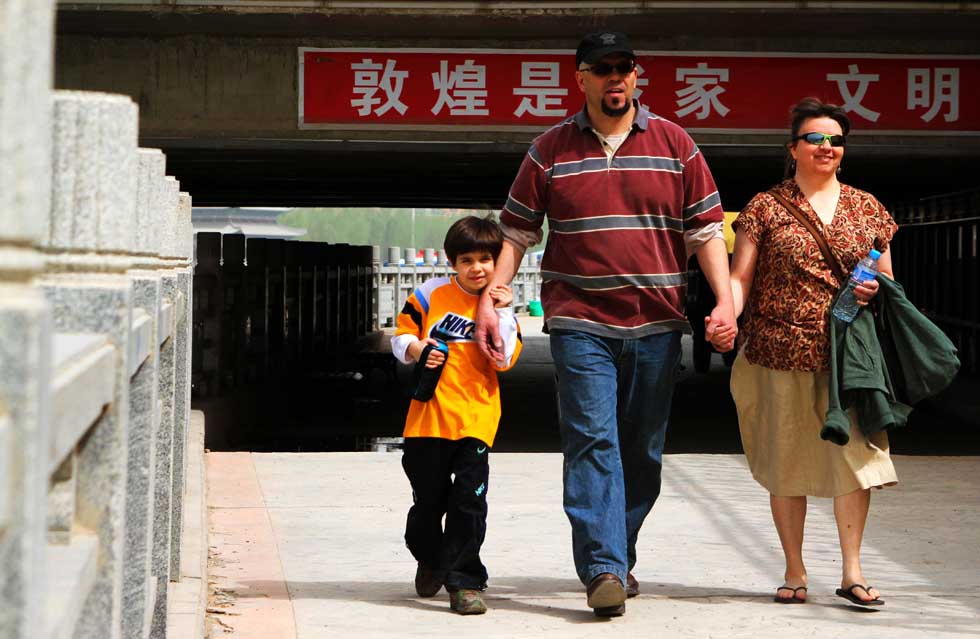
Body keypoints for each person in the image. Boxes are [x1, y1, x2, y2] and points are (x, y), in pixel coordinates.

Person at [474, 31, 736, 617]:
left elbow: (706, 231)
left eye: (625, 68)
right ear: (581, 79)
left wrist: (724, 301)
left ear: (637, 76)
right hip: (579, 320)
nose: (615, 78)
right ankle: (603, 567)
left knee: (641, 448)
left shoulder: (676, 145)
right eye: (603, 69)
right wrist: (495, 297)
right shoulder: (549, 149)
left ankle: (621, 550)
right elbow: (517, 233)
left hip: (658, 323)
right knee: (593, 441)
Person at [723, 97, 898, 606]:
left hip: (850, 357)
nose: (827, 147)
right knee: (787, 458)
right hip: (778, 350)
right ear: (792, 148)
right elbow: (740, 278)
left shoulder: (868, 208)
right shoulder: (764, 207)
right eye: (816, 139)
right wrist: (724, 314)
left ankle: (852, 571)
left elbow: (889, 282)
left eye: (836, 140)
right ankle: (795, 571)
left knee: (856, 460)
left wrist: (875, 291)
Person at [391, 215, 523, 615]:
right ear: (452, 262)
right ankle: (430, 558)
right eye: (467, 260)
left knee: (469, 503)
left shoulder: (501, 306)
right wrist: (419, 349)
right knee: (428, 505)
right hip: (427, 420)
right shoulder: (430, 294)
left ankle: (465, 582)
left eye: (486, 258)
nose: (477, 268)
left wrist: (501, 315)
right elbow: (400, 337)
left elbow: (507, 361)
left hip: (477, 420)